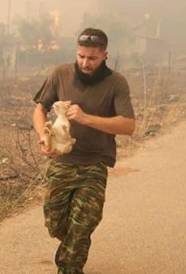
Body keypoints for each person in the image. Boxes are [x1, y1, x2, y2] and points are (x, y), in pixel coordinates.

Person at [32, 27, 136, 274]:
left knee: (84, 223)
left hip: (94, 163)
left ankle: (69, 267)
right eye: (81, 56)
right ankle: (74, 245)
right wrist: (43, 136)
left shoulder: (116, 82)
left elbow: (128, 125)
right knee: (55, 223)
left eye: (92, 58)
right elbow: (39, 109)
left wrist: (86, 118)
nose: (85, 63)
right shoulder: (60, 74)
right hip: (62, 161)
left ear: (105, 56)